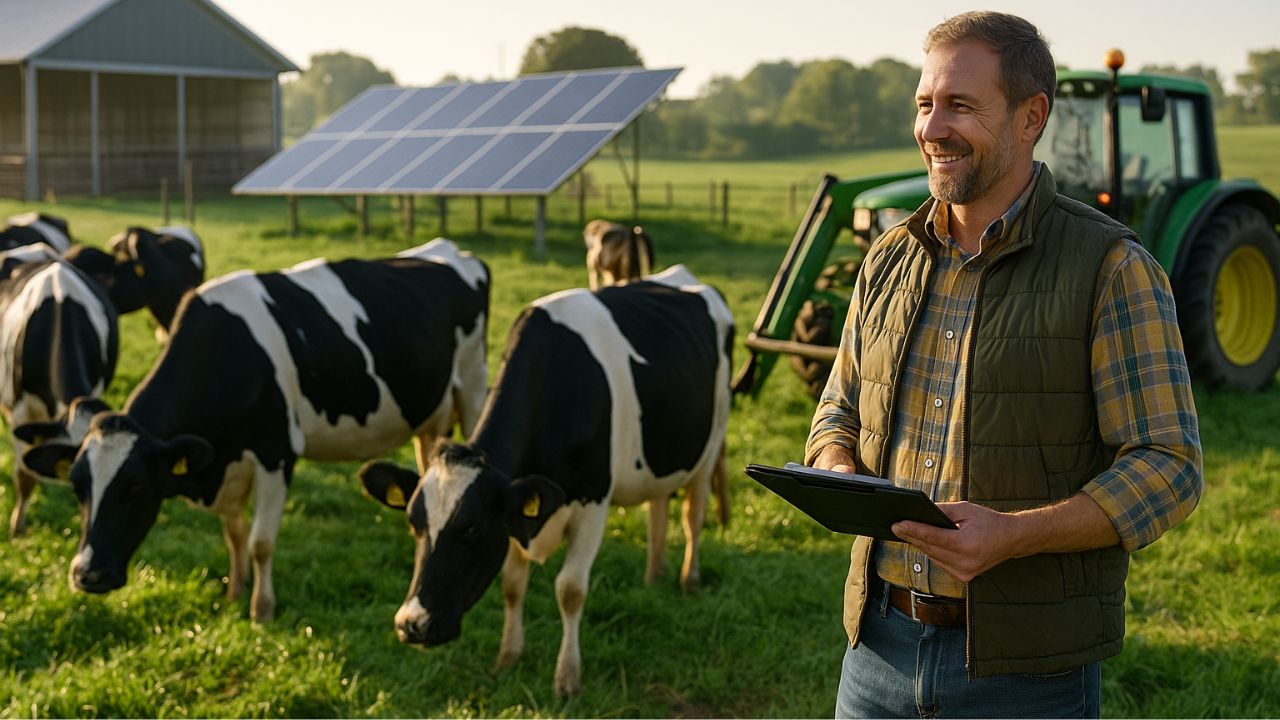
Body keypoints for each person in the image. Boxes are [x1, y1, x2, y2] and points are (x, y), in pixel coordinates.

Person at [804, 11, 1203, 719]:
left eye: (960, 105)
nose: (932, 127)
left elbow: (1168, 466)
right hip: (876, 653)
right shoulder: (888, 257)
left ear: (1030, 117)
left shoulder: (1111, 267)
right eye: (925, 104)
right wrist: (837, 469)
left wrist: (1016, 535)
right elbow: (837, 405)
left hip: (1027, 678)